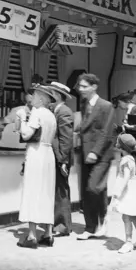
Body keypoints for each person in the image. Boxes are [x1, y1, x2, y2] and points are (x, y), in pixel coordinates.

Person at [16, 84, 58, 248]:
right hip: (48, 153)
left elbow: (27, 134)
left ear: (41, 98)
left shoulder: (37, 112)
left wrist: (21, 119)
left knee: (32, 191)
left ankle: (32, 235)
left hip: (36, 153)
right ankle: (48, 233)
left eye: (34, 95)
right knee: (47, 192)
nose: (31, 98)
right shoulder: (51, 115)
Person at [75, 73, 116, 240]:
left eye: (84, 86)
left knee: (94, 188)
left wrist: (95, 152)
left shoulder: (106, 106)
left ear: (94, 87)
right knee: (88, 190)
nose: (80, 89)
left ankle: (103, 220)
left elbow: (107, 132)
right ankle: (91, 227)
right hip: (84, 153)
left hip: (101, 154)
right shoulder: (84, 104)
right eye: (80, 86)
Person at [111, 134, 136, 253]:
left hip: (127, 192)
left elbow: (126, 177)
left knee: (126, 217)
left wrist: (118, 192)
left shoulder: (126, 160)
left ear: (121, 146)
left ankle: (128, 242)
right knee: (134, 216)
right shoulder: (131, 158)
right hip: (132, 190)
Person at [49, 82, 74, 237]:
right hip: (57, 156)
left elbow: (66, 138)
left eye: (51, 93)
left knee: (61, 191)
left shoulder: (64, 111)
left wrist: (63, 160)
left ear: (57, 95)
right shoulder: (56, 110)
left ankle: (62, 226)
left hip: (60, 157)